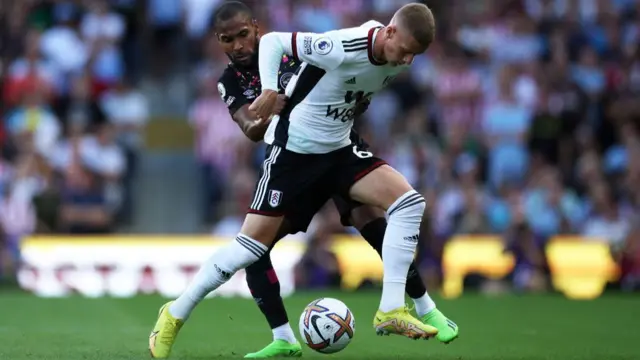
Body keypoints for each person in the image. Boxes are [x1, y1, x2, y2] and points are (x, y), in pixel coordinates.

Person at [149, 3, 458, 358]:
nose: (406, 61)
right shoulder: (337, 47)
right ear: (390, 34)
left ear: (254, 27)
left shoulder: (391, 51)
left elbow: (336, 81)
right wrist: (268, 94)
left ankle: (398, 308)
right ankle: (177, 312)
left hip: (340, 149)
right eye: (227, 39)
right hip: (295, 156)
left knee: (406, 205)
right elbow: (274, 47)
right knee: (251, 248)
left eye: (413, 55)